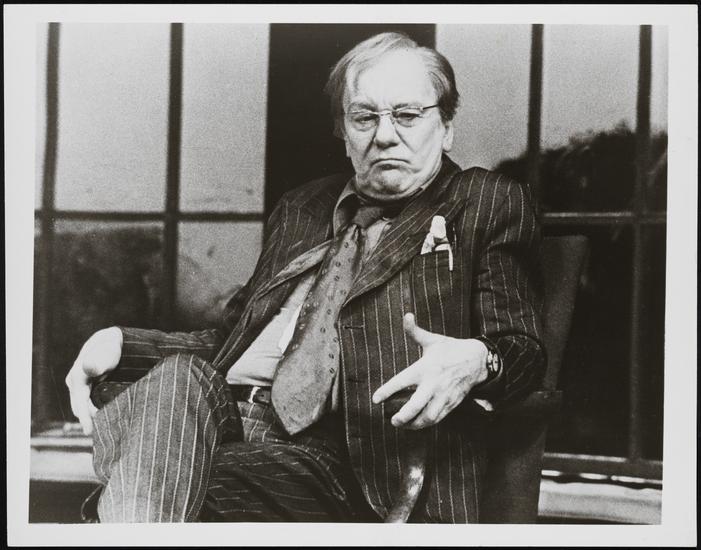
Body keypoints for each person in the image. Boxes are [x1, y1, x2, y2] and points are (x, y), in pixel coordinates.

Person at [65, 31, 545, 523]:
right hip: (220, 421)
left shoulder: (482, 201)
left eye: (406, 114)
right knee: (178, 381)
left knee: (172, 482)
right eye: (364, 117)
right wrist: (122, 343)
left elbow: (523, 348)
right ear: (344, 131)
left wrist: (478, 359)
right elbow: (231, 342)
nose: (384, 135)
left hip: (351, 457)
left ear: (445, 128)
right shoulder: (303, 208)